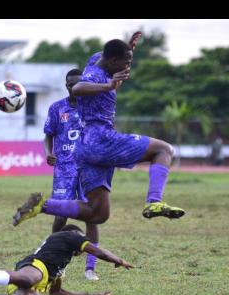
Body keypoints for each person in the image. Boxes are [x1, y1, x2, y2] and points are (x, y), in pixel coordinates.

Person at [12, 33, 185, 229]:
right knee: (164, 150)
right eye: (125, 62)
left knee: (98, 214)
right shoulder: (95, 77)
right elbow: (78, 88)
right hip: (102, 140)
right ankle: (154, 201)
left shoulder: (95, 59)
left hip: (85, 148)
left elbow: (110, 54)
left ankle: (42, 205)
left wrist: (128, 49)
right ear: (112, 61)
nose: (127, 67)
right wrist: (109, 85)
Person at [0, 224, 133, 295]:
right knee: (30, 278)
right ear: (75, 235)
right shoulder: (69, 236)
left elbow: (57, 292)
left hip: (35, 281)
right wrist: (119, 261)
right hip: (35, 266)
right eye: (82, 239)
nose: (83, 244)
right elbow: (98, 252)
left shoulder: (61, 262)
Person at [44, 68, 100, 281]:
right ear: (66, 85)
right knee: (60, 215)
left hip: (89, 168)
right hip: (64, 169)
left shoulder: (94, 108)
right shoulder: (56, 108)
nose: (74, 88)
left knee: (91, 216)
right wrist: (48, 152)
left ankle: (90, 268)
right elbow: (47, 136)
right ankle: (51, 259)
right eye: (70, 84)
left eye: (77, 83)